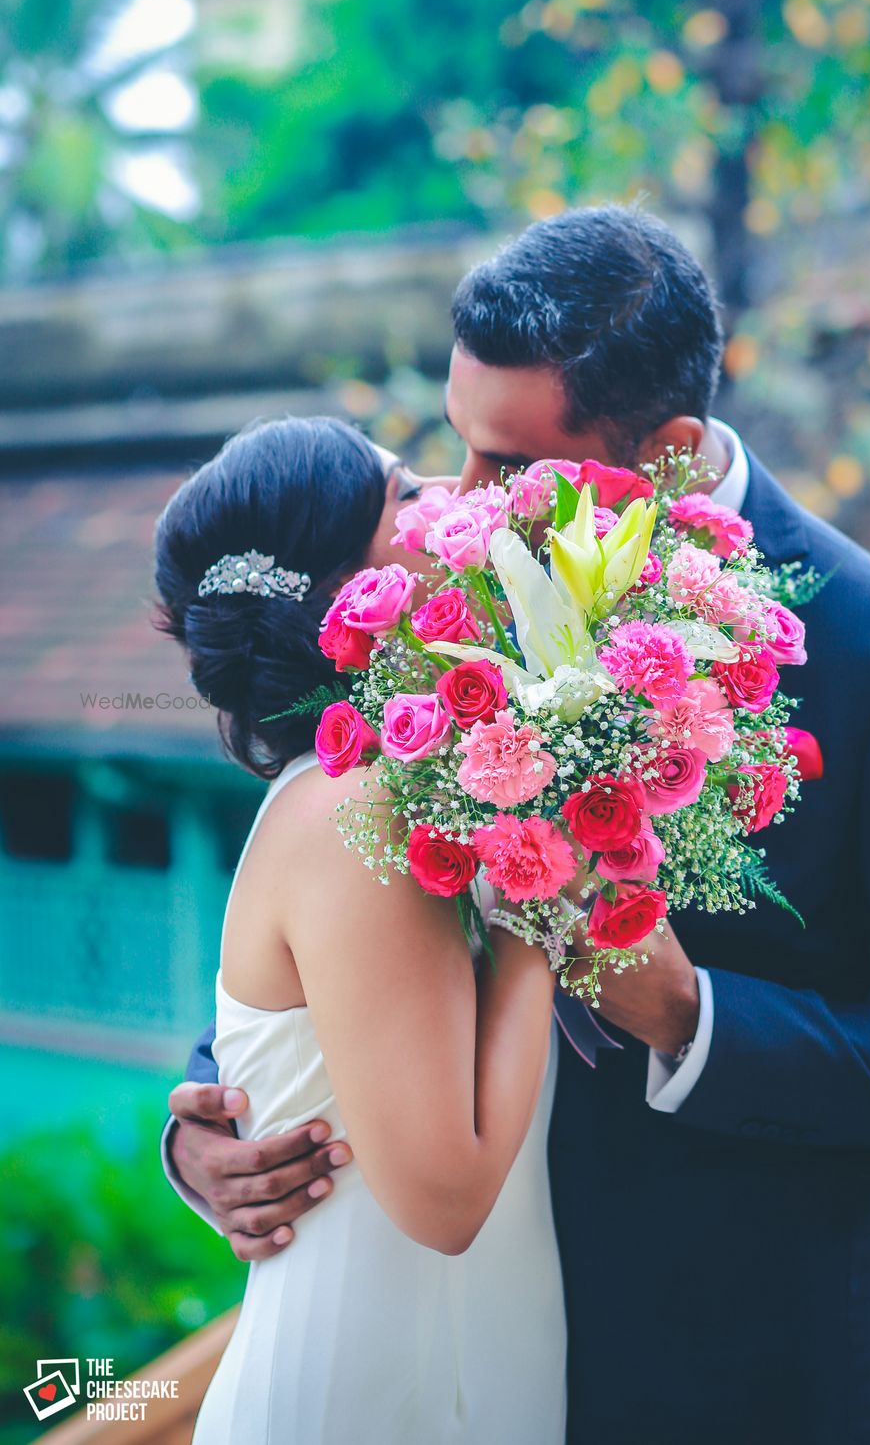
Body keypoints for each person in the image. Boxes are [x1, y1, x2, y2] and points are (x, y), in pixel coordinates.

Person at [165, 207, 870, 1445]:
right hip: (477, 1331)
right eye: (451, 446)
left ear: (662, 454)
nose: (457, 501)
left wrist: (685, 1016)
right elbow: (357, 905)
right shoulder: (441, 588)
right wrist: (214, 1122)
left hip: (748, 1360)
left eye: (505, 465)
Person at [153, 417, 567, 1445]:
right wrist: (550, 899)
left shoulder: (400, 792)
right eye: (404, 496)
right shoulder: (355, 811)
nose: (449, 491)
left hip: (467, 1355)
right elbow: (447, 1195)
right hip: (372, 1392)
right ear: (350, 589)